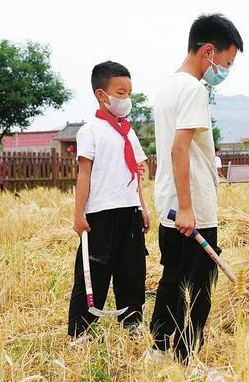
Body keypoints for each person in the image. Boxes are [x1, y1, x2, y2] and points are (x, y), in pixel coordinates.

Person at [150, 13, 243, 362]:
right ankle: (187, 361)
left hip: (169, 205)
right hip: (192, 208)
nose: (226, 70)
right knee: (199, 288)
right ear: (209, 51)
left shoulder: (168, 86)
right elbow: (179, 148)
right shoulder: (193, 89)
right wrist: (188, 208)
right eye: (227, 62)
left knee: (172, 279)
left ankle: (159, 351)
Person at [68, 61, 149, 338]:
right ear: (102, 95)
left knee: (132, 268)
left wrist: (143, 207)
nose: (126, 99)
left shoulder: (128, 132)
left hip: (130, 210)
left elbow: (135, 173)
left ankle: (132, 322)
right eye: (121, 92)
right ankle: (82, 329)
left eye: (129, 93)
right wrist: (79, 215)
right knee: (94, 270)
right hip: (100, 213)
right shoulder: (89, 131)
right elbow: (84, 175)